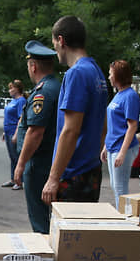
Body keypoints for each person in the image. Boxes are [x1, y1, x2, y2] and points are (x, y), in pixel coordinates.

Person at [44, 15, 109, 205]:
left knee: (66, 233)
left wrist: (54, 178)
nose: (55, 49)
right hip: (91, 170)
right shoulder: (97, 72)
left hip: (73, 174)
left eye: (54, 43)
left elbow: (71, 130)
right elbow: (103, 124)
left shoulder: (77, 74)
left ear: (61, 40)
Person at [13, 41, 60, 234]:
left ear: (33, 67)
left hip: (38, 161)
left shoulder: (43, 92)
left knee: (39, 217)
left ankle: (44, 256)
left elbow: (35, 131)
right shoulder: (57, 86)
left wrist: (21, 164)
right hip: (51, 158)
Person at [101, 60, 140, 208]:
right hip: (113, 146)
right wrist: (106, 146)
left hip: (122, 147)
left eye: (111, 74)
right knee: (114, 185)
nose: (109, 77)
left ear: (119, 75)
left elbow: (132, 126)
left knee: (120, 188)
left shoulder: (130, 96)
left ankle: (123, 221)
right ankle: (121, 217)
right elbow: (114, 125)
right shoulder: (118, 95)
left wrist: (122, 153)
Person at [1, 80, 27, 189]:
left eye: (11, 88)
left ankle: (19, 180)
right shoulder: (13, 101)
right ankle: (13, 178)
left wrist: (17, 134)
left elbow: (21, 118)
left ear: (17, 89)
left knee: (17, 157)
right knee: (12, 157)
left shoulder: (21, 101)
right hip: (8, 131)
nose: (9, 90)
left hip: (14, 131)